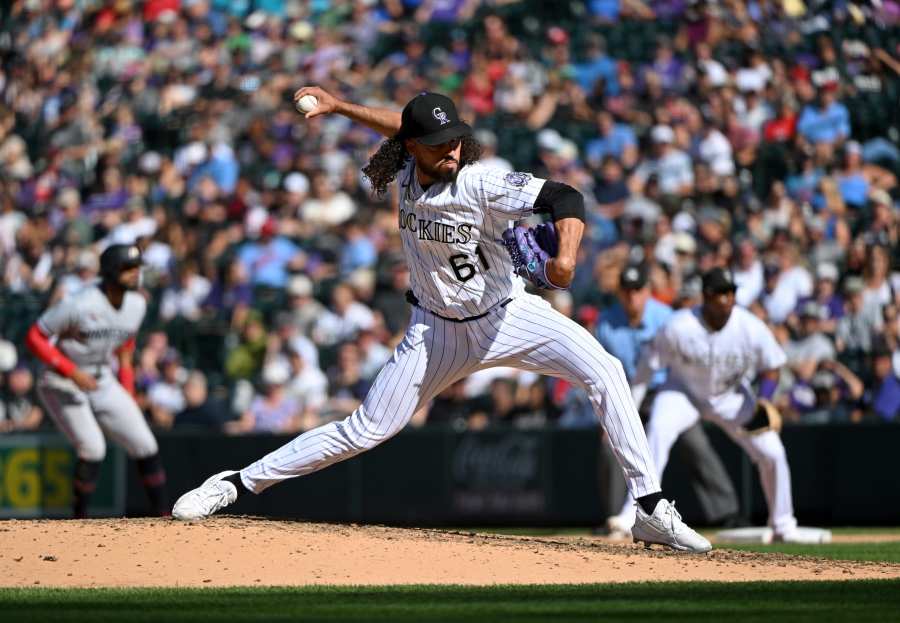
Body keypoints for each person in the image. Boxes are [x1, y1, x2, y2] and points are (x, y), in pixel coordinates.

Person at [172, 87, 710, 553]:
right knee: (363, 430)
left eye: (455, 138)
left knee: (607, 371)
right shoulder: (406, 169)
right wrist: (338, 107)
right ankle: (236, 484)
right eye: (437, 142)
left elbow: (565, 196)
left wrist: (565, 258)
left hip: (509, 316)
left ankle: (649, 506)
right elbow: (400, 125)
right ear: (412, 147)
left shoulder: (481, 182)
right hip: (435, 333)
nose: (450, 148)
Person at [610, 267, 830, 543]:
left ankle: (783, 525)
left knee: (772, 451)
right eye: (719, 293)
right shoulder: (678, 326)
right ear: (705, 296)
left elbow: (773, 366)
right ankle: (633, 514)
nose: (726, 299)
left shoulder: (749, 326)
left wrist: (764, 399)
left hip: (730, 397)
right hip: (683, 392)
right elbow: (647, 368)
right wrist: (630, 407)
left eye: (730, 292)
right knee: (658, 432)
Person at [24, 244, 168, 518]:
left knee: (145, 444)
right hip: (61, 380)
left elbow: (126, 348)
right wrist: (71, 371)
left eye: (137, 268)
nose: (135, 273)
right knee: (93, 447)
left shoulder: (137, 304)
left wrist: (127, 391)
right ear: (111, 271)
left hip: (101, 377)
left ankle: (163, 516)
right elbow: (35, 337)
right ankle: (80, 519)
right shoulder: (79, 303)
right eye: (128, 268)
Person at [597, 264, 739, 536]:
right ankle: (617, 519)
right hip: (626, 394)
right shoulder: (606, 322)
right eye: (627, 291)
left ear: (647, 291)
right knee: (610, 447)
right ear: (620, 293)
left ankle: (727, 511)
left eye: (637, 290)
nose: (632, 296)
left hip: (667, 390)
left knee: (694, 441)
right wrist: (606, 416)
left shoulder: (665, 317)